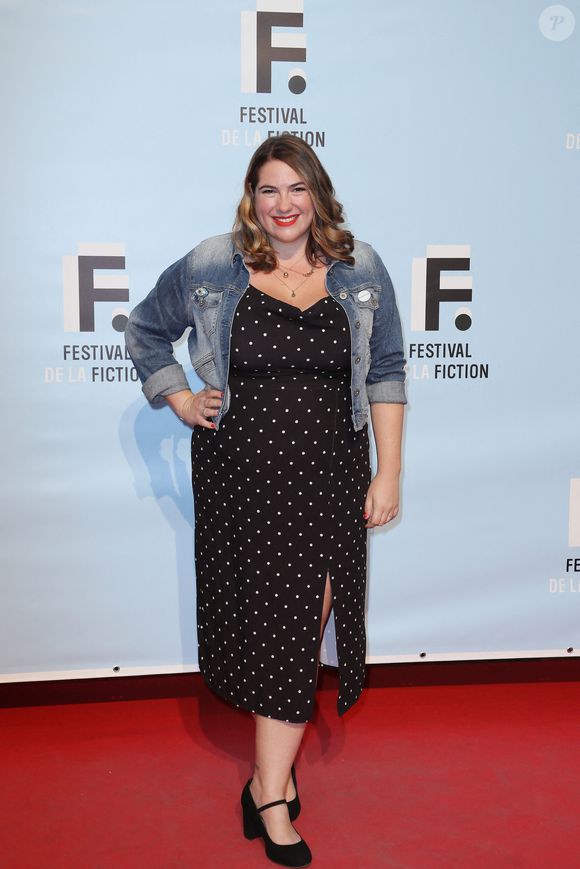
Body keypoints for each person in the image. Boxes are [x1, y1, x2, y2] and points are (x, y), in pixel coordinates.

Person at [125, 134, 406, 867]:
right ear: (252, 198)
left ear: (318, 194)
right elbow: (146, 331)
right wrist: (181, 398)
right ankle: (270, 785)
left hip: (331, 476)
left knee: (297, 632)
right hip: (241, 480)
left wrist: (390, 471)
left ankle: (267, 789)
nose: (283, 205)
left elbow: (386, 370)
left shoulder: (360, 269)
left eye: (296, 188)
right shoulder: (214, 263)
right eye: (268, 190)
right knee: (271, 633)